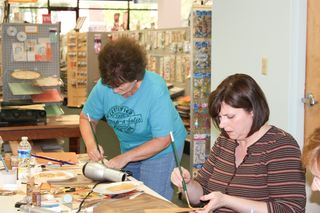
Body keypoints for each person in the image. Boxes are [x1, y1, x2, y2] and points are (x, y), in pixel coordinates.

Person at [171, 73, 306, 212]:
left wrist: (227, 201)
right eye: (220, 117)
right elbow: (202, 195)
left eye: (230, 116)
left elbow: (290, 209)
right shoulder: (225, 141)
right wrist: (188, 183)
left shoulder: (281, 146)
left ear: (252, 110)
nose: (222, 125)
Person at [80, 37, 187, 200]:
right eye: (111, 86)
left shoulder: (155, 88)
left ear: (137, 78)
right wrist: (91, 144)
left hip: (161, 148)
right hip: (130, 146)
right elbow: (86, 119)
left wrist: (125, 158)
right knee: (126, 195)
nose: (115, 91)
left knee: (152, 200)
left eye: (121, 86)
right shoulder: (103, 87)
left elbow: (162, 139)